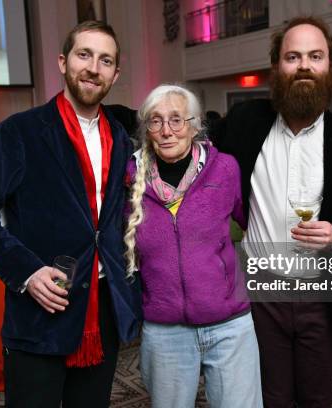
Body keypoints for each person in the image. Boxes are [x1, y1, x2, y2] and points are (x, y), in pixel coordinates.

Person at [0, 21, 141, 408]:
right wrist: (26, 271)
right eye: (84, 55)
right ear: (63, 61)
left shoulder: (121, 137)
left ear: (115, 73)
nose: (93, 68)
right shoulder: (20, 131)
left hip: (101, 308)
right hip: (40, 310)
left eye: (105, 60)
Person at [211, 16, 332, 407]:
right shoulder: (245, 122)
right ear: (277, 67)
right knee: (270, 397)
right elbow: (194, 158)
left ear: (330, 67)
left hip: (324, 296)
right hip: (261, 295)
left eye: (316, 56)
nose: (305, 66)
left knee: (316, 398)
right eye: (292, 57)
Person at [124, 84, 262, 408]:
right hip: (165, 328)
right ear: (147, 130)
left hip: (229, 323)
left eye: (177, 120)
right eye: (156, 121)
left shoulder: (225, 168)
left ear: (195, 125)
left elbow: (254, 223)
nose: (167, 131)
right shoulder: (130, 176)